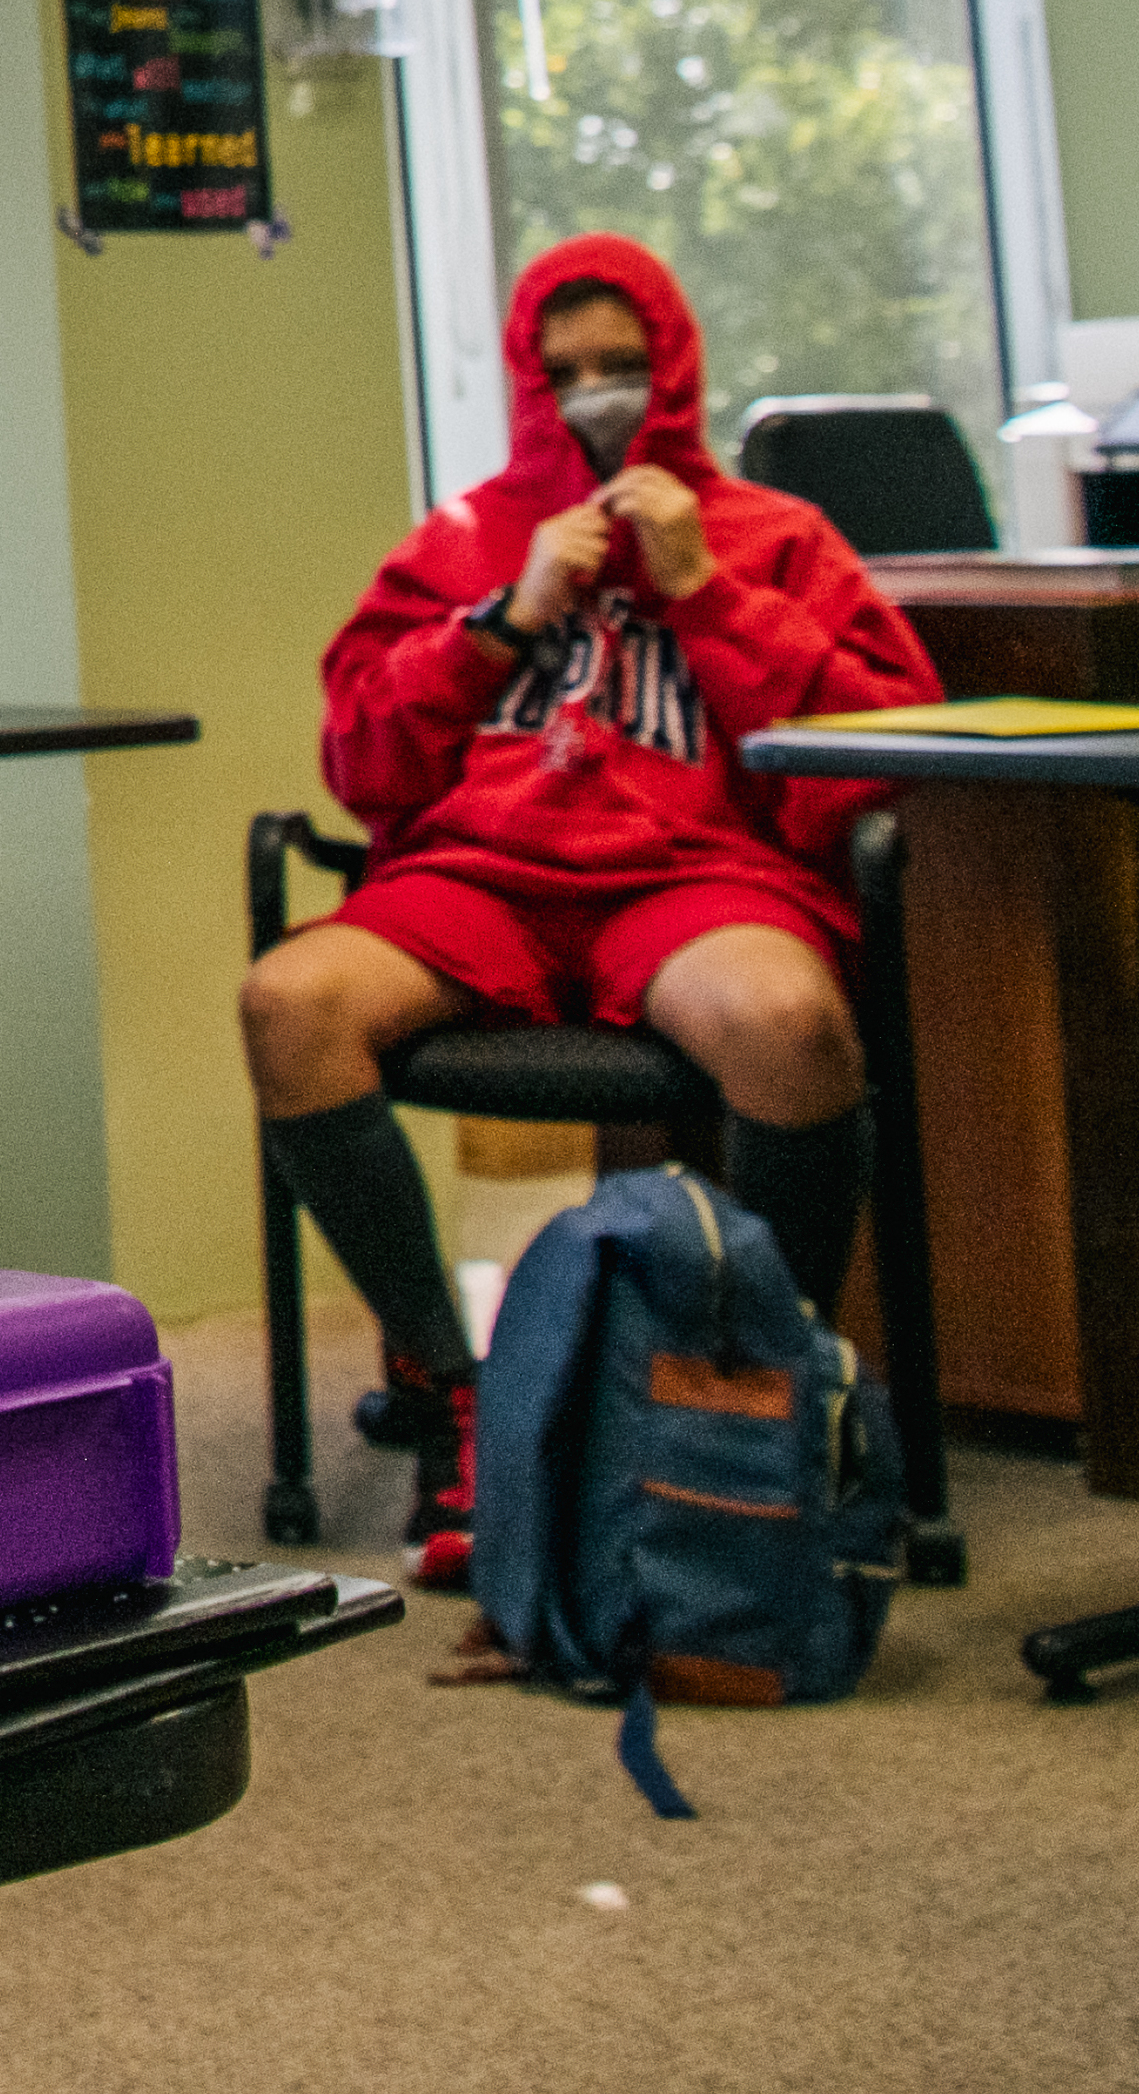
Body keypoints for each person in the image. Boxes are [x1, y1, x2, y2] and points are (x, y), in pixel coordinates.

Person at [252, 233, 927, 1581]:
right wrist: (497, 620)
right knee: (287, 1004)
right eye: (561, 371)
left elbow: (883, 740)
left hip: (691, 878)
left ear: (671, 367)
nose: (592, 392)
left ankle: (749, 1390)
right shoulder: (460, 538)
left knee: (792, 1027)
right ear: (521, 379)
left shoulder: (771, 537)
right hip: (484, 876)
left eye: (621, 366)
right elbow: (359, 758)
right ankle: (449, 1388)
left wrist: (702, 590)